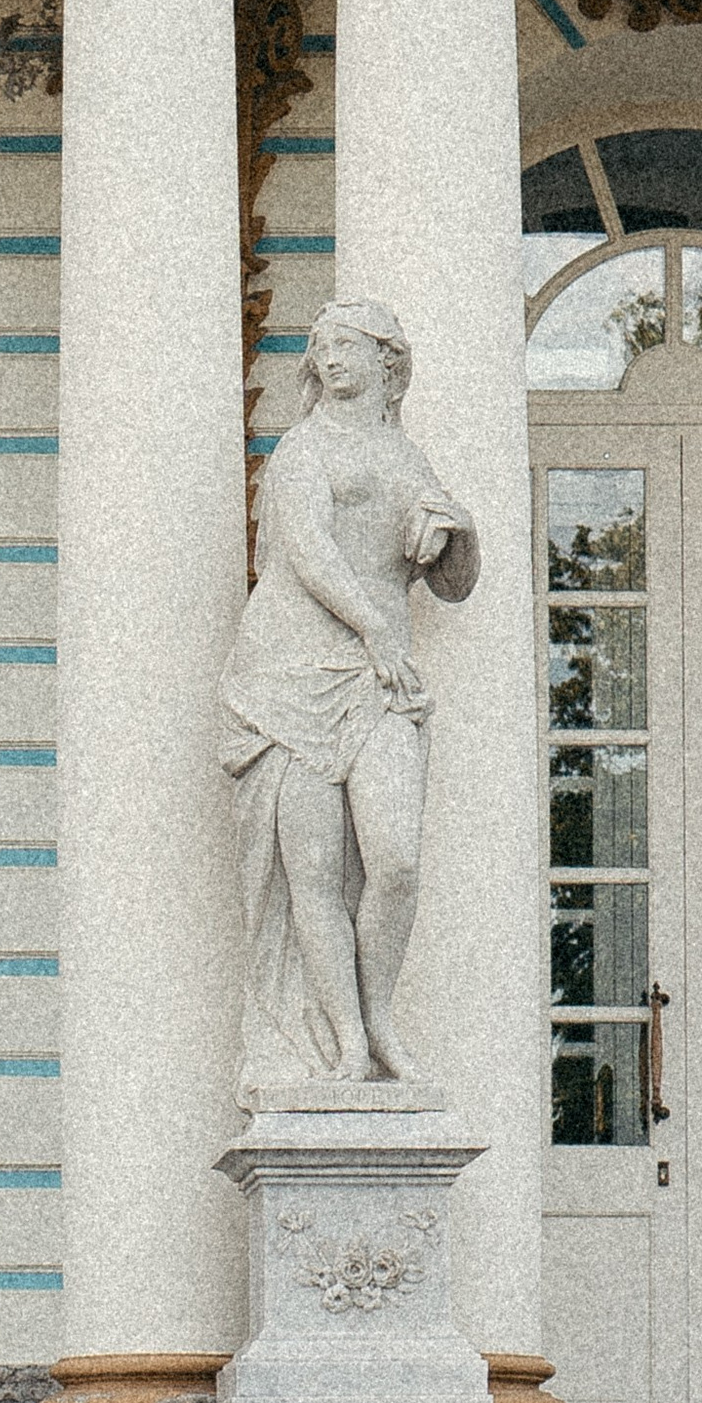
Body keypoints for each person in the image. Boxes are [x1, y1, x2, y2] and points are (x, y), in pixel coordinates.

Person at [219, 296, 479, 1096]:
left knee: (395, 859)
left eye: (345, 345)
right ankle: (347, 1046)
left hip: (376, 677)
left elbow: (455, 587)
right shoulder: (304, 449)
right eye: (320, 347)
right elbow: (308, 553)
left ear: (386, 361)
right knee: (315, 874)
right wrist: (376, 630)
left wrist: (459, 531)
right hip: (291, 671)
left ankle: (380, 1017)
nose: (328, 359)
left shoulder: (408, 459)